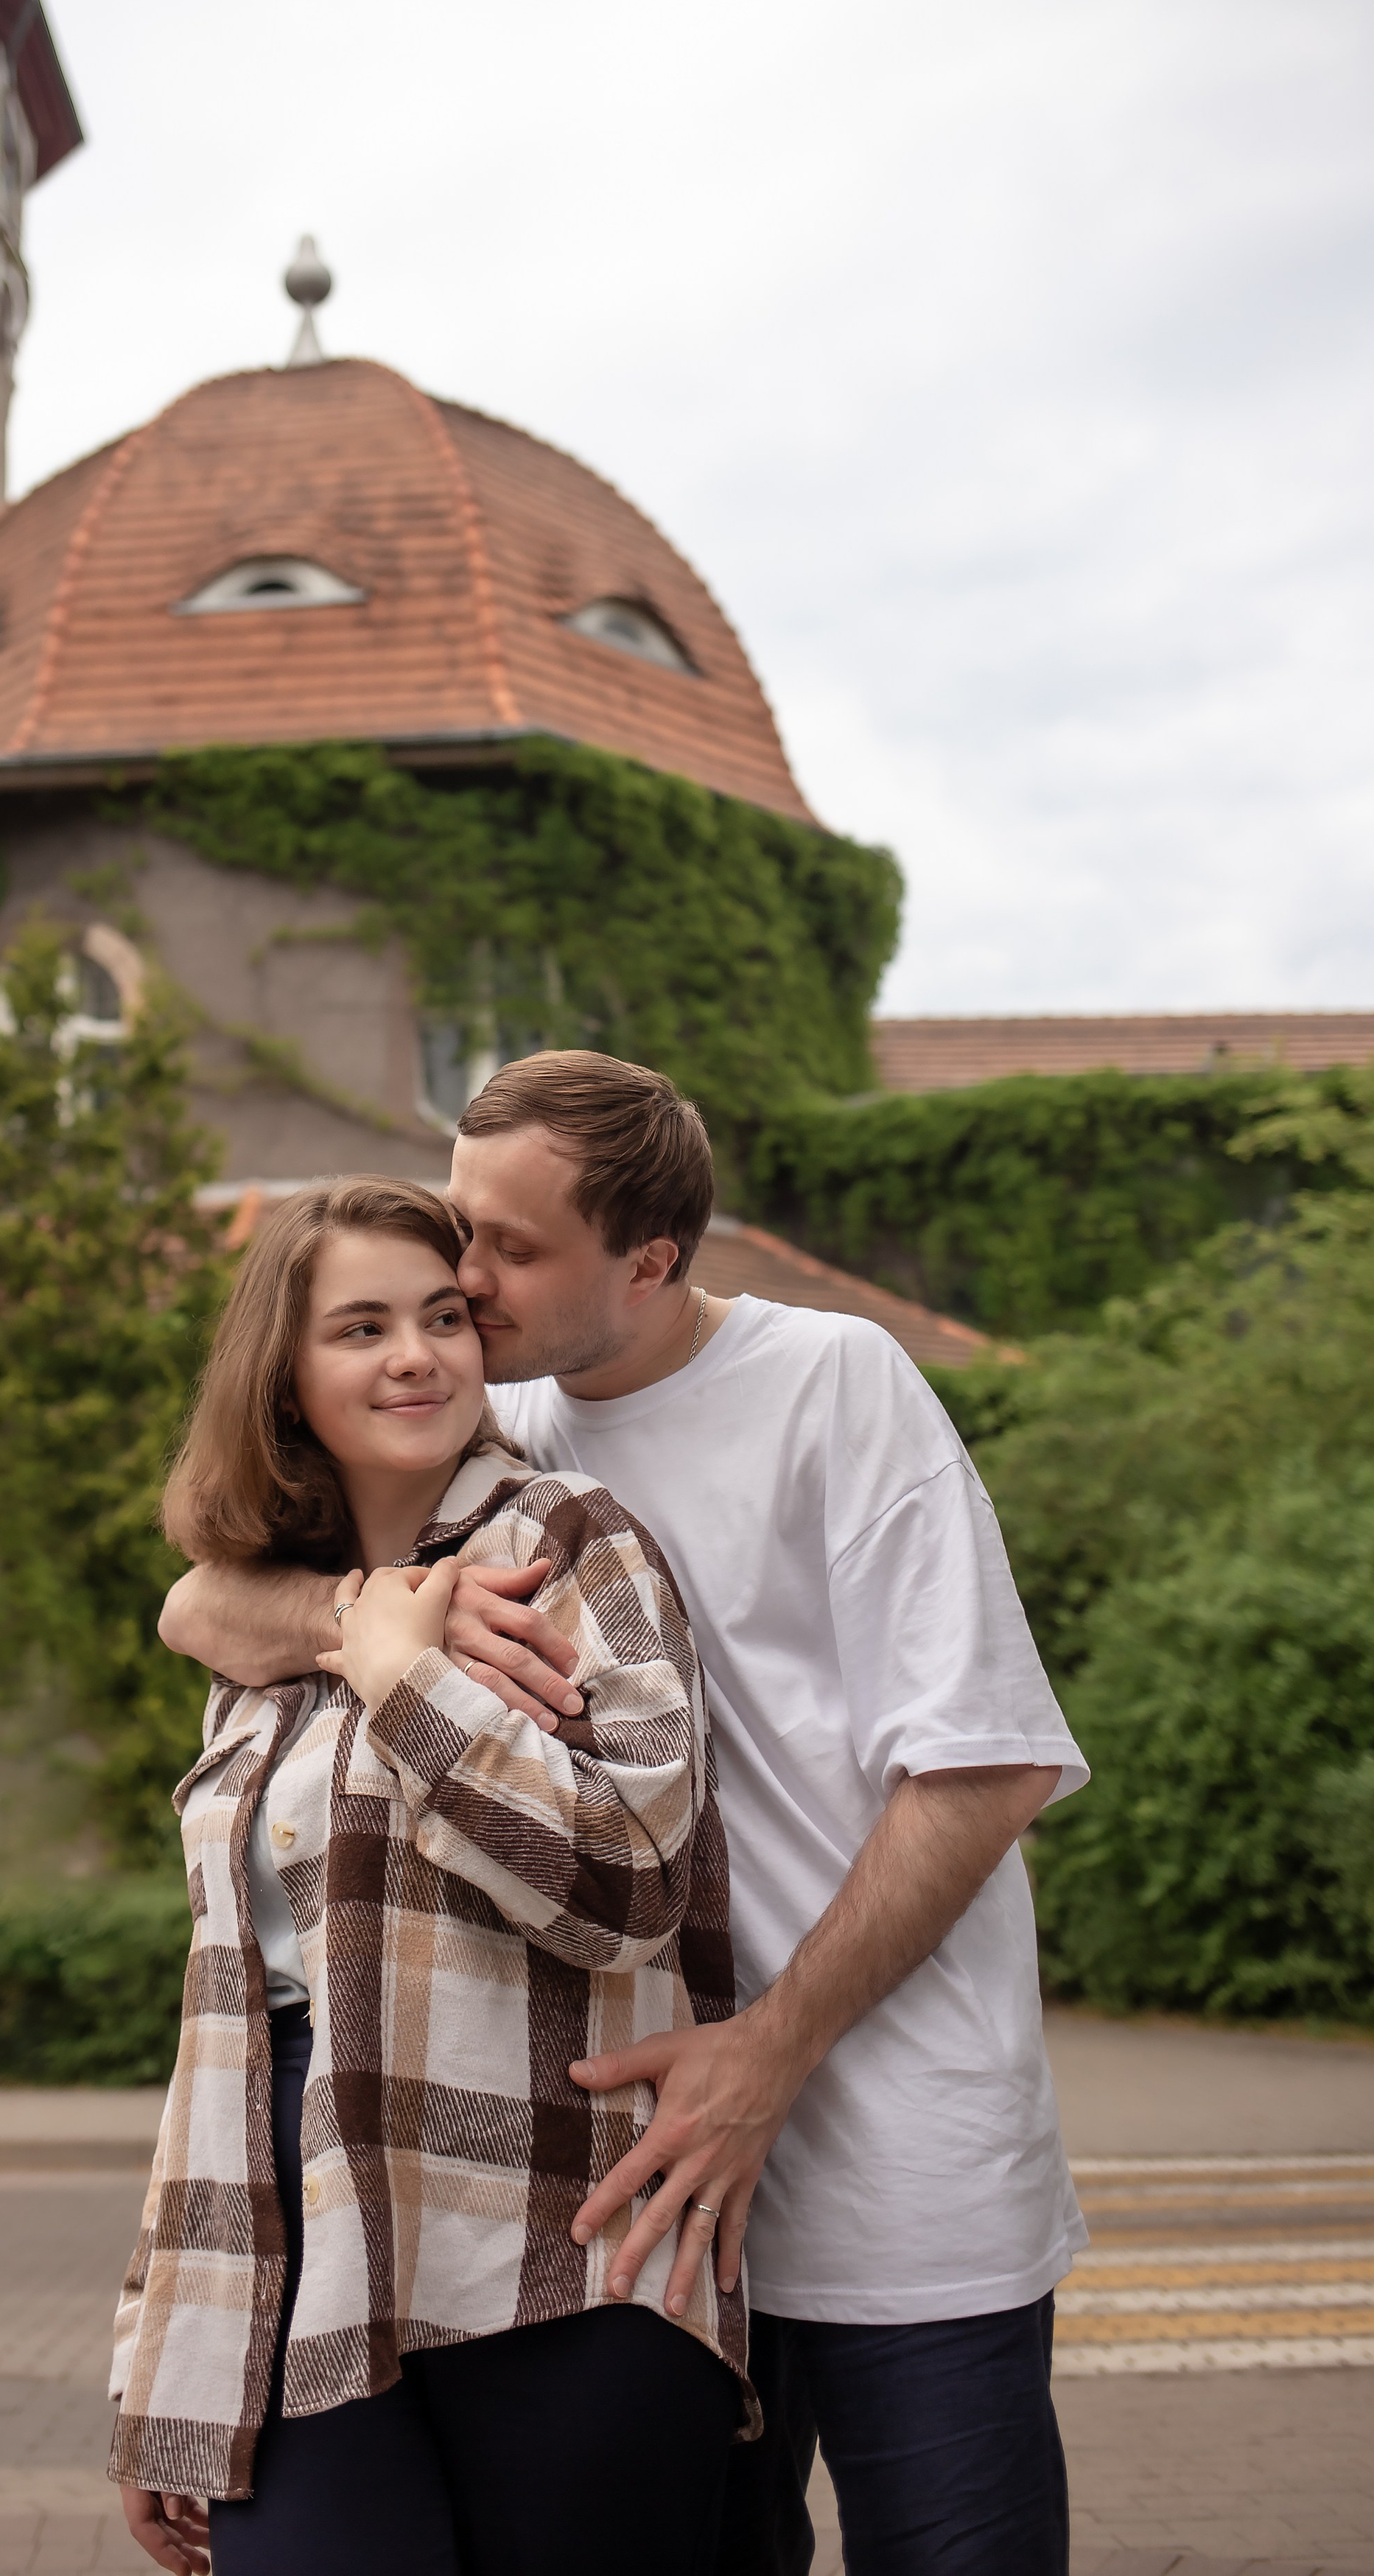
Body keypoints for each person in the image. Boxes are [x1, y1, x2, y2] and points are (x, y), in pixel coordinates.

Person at [160, 1055, 1090, 2576]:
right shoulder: (494, 1413)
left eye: (507, 1249)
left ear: (647, 1263)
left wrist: (762, 2057)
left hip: (886, 2149)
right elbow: (200, 1596)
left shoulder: (830, 1384)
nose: (460, 1280)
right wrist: (368, 1621)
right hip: (633, 2192)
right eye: (459, 1225)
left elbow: (979, 1769)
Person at [111, 1175, 750, 2576]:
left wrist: (406, 1681)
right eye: (360, 1327)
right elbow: (225, 2009)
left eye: (443, 1316)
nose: (415, 1354)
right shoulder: (263, 1614)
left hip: (560, 2235)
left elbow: (631, 1880)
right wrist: (167, 2347)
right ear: (282, 1374)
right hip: (294, 2228)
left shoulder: (573, 1544)